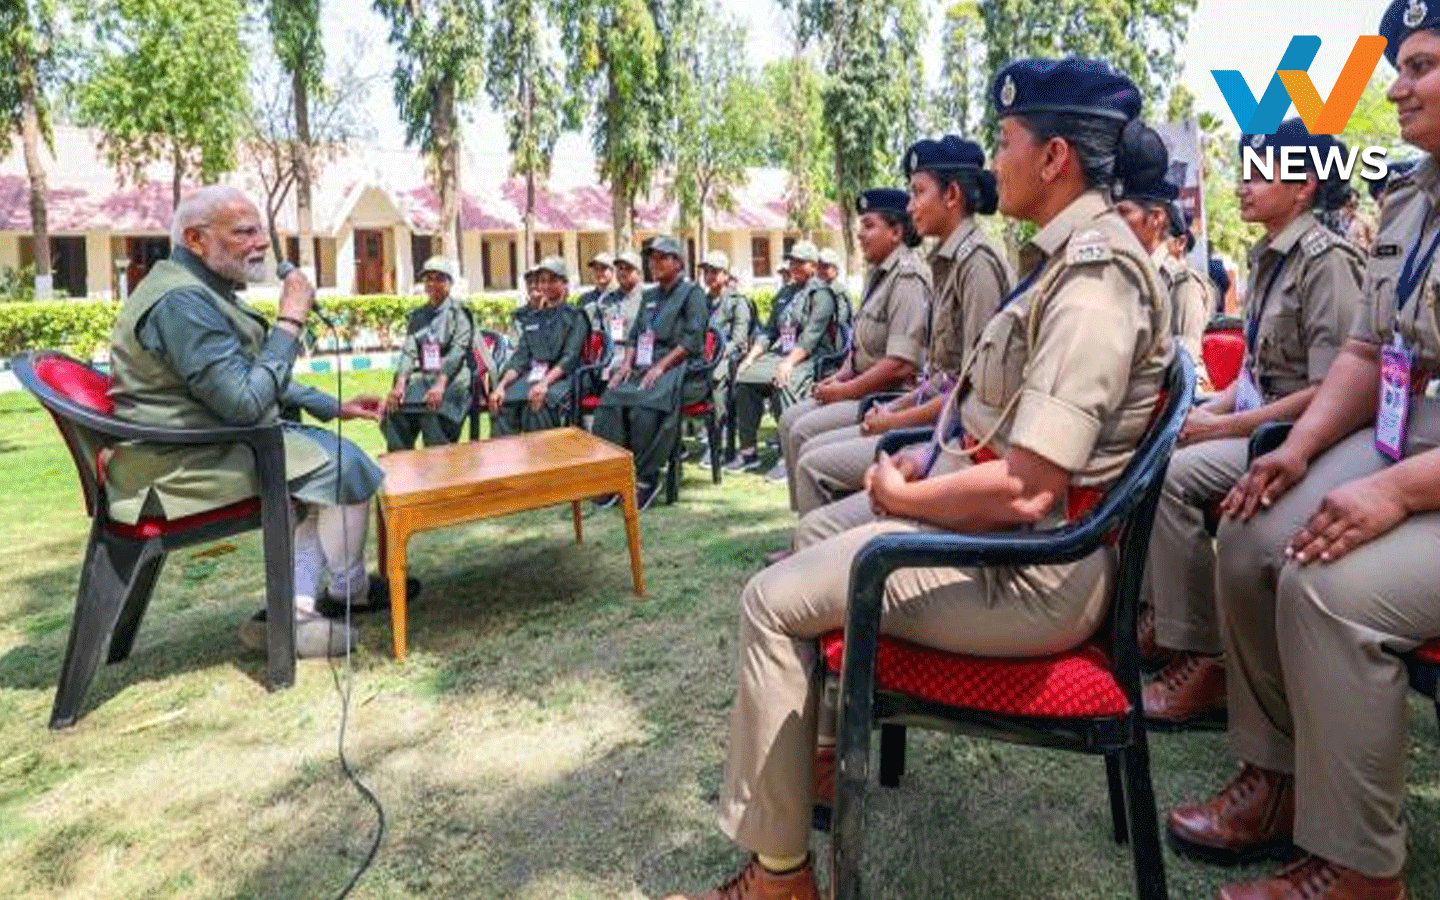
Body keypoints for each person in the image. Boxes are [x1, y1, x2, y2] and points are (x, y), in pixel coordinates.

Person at [661, 58, 1171, 900]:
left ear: (1054, 158)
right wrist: (925, 467)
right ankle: (817, 761)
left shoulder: (1093, 278)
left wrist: (907, 498)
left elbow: (1031, 488)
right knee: (815, 533)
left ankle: (779, 881)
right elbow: (993, 422)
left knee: (769, 601)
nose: (994, 162)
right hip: (1003, 543)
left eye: (1005, 142)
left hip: (1031, 574)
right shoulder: (1060, 262)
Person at [1163, 8, 1439, 898]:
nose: (1396, 87)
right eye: (1399, 66)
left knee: (1329, 587)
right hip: (1407, 436)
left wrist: (1396, 493)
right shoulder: (1412, 196)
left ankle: (1361, 870)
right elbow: (1367, 351)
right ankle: (1276, 781)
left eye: (1421, 66)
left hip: (1425, 469)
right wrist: (1299, 450)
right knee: (1252, 530)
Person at [1139, 117, 1364, 727]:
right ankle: (1163, 623)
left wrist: (1221, 429)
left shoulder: (1327, 262)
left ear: (1303, 186)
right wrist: (1200, 413)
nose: (1243, 185)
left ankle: (1204, 656)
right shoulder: (1270, 257)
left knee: (1173, 478)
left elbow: (1329, 392)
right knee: (1158, 449)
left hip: (1307, 440)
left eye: (1261, 174)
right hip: (1263, 424)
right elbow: (1254, 376)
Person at [105, 185, 386, 657]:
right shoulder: (182, 302)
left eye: (260, 231)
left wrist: (332, 406)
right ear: (196, 240)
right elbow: (244, 402)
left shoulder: (198, 289)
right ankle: (345, 592)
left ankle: (299, 610)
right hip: (180, 468)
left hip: (203, 445)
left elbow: (245, 376)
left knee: (328, 465)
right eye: (243, 232)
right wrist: (290, 320)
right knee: (344, 465)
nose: (261, 243)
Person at [784, 136, 1012, 526]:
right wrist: (892, 410)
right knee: (807, 446)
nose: (910, 207)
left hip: (953, 438)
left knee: (813, 468)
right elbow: (943, 378)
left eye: (918, 192)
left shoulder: (976, 266)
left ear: (951, 195)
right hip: (932, 420)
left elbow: (968, 391)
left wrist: (893, 419)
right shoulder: (951, 264)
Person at [772, 189, 931, 521]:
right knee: (789, 420)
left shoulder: (907, 277)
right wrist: (841, 376)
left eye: (869, 225)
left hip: (888, 395)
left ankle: (817, 527)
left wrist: (845, 391)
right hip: (862, 388)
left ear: (896, 231)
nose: (860, 234)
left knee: (803, 433)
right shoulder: (878, 273)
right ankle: (806, 521)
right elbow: (861, 344)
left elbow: (900, 365)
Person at [591, 236, 709, 509]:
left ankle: (646, 477)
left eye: (661, 258)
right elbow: (635, 336)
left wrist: (661, 366)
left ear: (678, 263)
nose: (654, 263)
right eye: (651, 259)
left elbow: (692, 340)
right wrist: (625, 365)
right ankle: (614, 475)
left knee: (644, 405)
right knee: (611, 400)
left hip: (681, 368)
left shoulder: (692, 294)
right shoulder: (650, 296)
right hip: (646, 366)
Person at [725, 241, 840, 473]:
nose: (794, 266)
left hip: (812, 356)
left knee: (783, 382)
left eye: (800, 262)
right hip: (783, 353)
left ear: (813, 265)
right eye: (792, 261)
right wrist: (750, 358)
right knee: (744, 379)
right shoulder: (786, 292)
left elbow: (811, 336)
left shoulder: (822, 294)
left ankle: (788, 455)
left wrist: (788, 363)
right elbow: (769, 332)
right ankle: (748, 452)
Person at [1111, 126, 1211, 381]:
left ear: (1155, 218)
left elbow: (1186, 369)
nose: (1114, 222)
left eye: (1123, 212)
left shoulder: (1182, 285)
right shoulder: (1123, 276)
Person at [379, 255, 477, 451]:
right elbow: (409, 352)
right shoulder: (418, 316)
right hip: (424, 378)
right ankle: (402, 464)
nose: (433, 284)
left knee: (432, 416)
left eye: (439, 279)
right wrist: (399, 385)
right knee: (394, 414)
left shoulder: (459, 314)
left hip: (453, 379)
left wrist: (440, 385)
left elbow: (457, 353)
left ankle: (439, 467)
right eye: (428, 279)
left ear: (449, 283)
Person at [488, 256, 588, 434]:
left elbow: (570, 358)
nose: (546, 285)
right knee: (501, 403)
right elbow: (520, 358)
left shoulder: (575, 316)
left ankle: (543, 453)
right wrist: (501, 385)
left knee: (536, 405)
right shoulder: (533, 318)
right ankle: (506, 452)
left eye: (553, 280)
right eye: (542, 281)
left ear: (564, 284)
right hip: (534, 376)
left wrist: (544, 383)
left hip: (565, 377)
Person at [699, 250, 753, 459]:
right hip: (703, 357)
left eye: (714, 271)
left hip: (728, 358)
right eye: (706, 271)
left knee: (716, 377)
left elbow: (739, 340)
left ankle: (719, 438)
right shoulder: (701, 301)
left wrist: (716, 354)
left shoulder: (737, 301)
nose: (709, 276)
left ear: (725, 274)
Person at [577, 251, 619, 332]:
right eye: (596, 269)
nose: (599, 273)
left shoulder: (621, 296)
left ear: (613, 271)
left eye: (603, 268)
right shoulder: (586, 298)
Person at [816, 248, 853, 327]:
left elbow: (842, 321)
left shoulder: (839, 292)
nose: (821, 271)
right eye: (819, 267)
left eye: (825, 267)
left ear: (835, 269)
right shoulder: (815, 289)